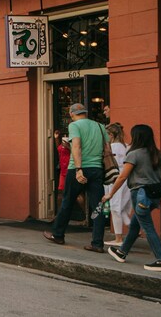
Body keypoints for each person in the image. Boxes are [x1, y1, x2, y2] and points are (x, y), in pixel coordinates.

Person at [104, 124, 161, 272]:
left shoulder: (134, 154)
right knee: (135, 224)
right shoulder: (157, 154)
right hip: (154, 194)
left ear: (137, 137)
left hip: (140, 194)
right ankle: (122, 252)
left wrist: (110, 193)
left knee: (148, 227)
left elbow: (122, 177)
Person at [44, 103, 108, 253]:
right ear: (85, 113)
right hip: (97, 168)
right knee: (97, 206)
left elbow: (77, 146)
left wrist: (79, 169)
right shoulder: (100, 127)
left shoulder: (74, 126)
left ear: (72, 114)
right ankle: (97, 243)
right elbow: (107, 149)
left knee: (67, 201)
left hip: (78, 168)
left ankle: (58, 234)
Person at [105, 123, 131, 246]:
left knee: (115, 207)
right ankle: (132, 228)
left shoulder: (112, 148)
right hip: (126, 178)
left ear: (111, 135)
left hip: (115, 177)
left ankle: (118, 238)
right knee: (121, 207)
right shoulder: (126, 146)